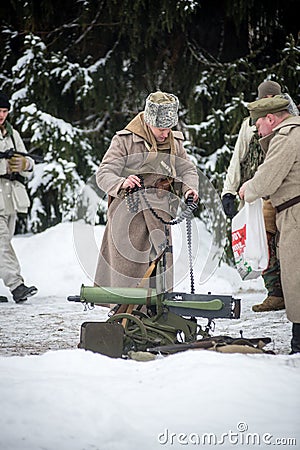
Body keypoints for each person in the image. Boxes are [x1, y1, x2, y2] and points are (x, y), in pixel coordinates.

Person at [94, 91, 199, 299]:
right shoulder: (125, 140)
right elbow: (104, 172)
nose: (165, 133)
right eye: (161, 128)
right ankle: (124, 316)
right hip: (129, 217)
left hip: (160, 215)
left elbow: (187, 170)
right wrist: (121, 182)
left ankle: (157, 316)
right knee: (129, 275)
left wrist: (189, 188)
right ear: (149, 122)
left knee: (160, 274)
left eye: (169, 127)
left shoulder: (174, 142)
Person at [222, 80, 299, 312]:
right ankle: (275, 291)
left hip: (279, 189)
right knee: (264, 239)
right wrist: (229, 190)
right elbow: (238, 158)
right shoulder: (250, 125)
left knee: (289, 244)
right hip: (260, 194)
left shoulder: (289, 128)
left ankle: (292, 295)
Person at [239, 95, 300, 354]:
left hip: (295, 213)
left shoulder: (286, 138)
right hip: (291, 209)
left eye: (259, 125)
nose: (258, 131)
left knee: (296, 275)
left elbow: (267, 180)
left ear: (271, 119)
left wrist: (246, 189)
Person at [0, 92, 38, 303]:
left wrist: (25, 165)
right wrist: (4, 165)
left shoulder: (11, 134)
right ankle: (16, 286)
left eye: (5, 111)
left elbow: (27, 161)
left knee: (3, 243)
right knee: (2, 244)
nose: (2, 115)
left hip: (10, 199)